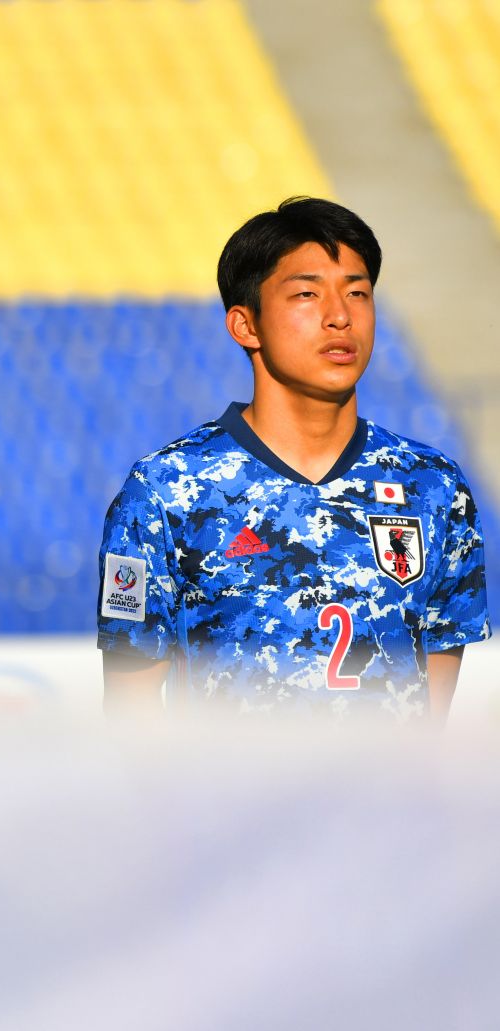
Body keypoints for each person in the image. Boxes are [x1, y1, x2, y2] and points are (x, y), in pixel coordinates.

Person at [97, 197, 488, 723]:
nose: (340, 316)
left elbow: (430, 720)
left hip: (390, 807)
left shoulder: (432, 487)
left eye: (357, 292)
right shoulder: (165, 490)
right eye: (307, 293)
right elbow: (131, 718)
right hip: (227, 806)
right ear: (245, 326)